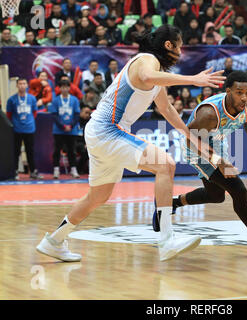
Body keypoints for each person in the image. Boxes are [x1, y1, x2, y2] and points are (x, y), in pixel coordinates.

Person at [36, 24, 226, 263]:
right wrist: (193, 79)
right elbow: (147, 76)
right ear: (168, 46)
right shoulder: (146, 60)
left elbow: (165, 108)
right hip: (108, 129)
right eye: (179, 46)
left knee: (98, 197)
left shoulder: (157, 75)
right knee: (165, 164)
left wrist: (191, 137)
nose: (181, 51)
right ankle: (167, 240)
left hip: (99, 132)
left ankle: (53, 241)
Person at [152, 71, 247, 258]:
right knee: (238, 189)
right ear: (228, 91)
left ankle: (173, 202)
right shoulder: (209, 113)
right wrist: (219, 162)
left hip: (217, 143)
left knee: (215, 196)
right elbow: (192, 140)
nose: (244, 97)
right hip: (195, 147)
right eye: (239, 92)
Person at [6, 78, 43, 180]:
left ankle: (33, 172)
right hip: (17, 129)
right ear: (17, 86)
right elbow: (8, 115)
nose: (22, 85)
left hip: (29, 129)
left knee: (30, 151)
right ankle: (15, 171)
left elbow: (34, 113)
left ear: (27, 86)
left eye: (24, 83)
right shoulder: (11, 99)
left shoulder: (32, 99)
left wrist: (29, 121)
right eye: (20, 84)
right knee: (16, 151)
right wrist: (15, 124)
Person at [50, 80, 81, 180]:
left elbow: (77, 114)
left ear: (69, 88)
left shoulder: (74, 100)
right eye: (62, 87)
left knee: (72, 150)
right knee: (57, 150)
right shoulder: (55, 100)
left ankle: (73, 169)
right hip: (59, 130)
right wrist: (63, 126)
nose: (64, 89)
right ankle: (56, 170)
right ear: (59, 88)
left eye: (66, 87)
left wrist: (71, 126)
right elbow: (54, 115)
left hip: (72, 130)